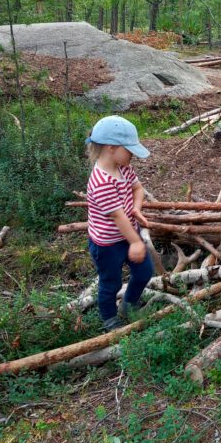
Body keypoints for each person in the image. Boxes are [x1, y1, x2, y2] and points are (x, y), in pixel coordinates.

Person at [85, 115, 154, 331]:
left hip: (128, 233)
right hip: (108, 244)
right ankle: (109, 318)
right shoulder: (101, 181)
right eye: (129, 149)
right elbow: (117, 217)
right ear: (111, 148)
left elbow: (138, 189)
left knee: (145, 272)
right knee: (110, 283)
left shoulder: (123, 168)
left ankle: (128, 305)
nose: (133, 154)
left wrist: (136, 208)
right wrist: (135, 242)